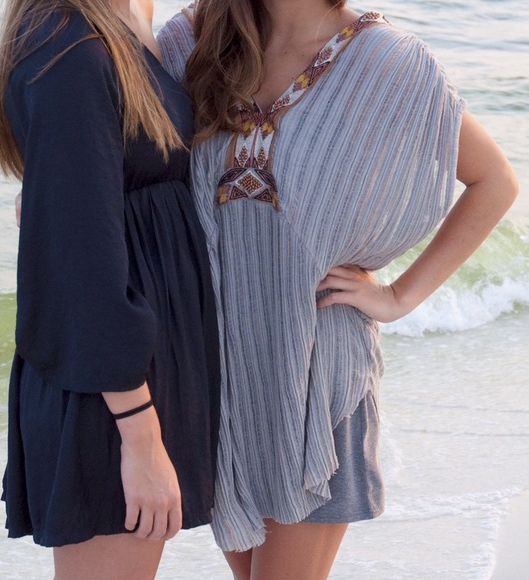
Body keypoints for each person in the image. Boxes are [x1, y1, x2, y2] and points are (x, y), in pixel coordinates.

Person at [157, 0, 519, 578]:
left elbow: (494, 181)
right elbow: (112, 120)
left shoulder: (386, 60)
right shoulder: (197, 40)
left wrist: (399, 297)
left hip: (318, 380)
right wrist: (50, 186)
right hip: (218, 379)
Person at [0, 0, 219, 577]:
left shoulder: (124, 17)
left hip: (133, 374)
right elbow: (81, 267)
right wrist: (139, 437)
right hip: (110, 391)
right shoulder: (67, 45)